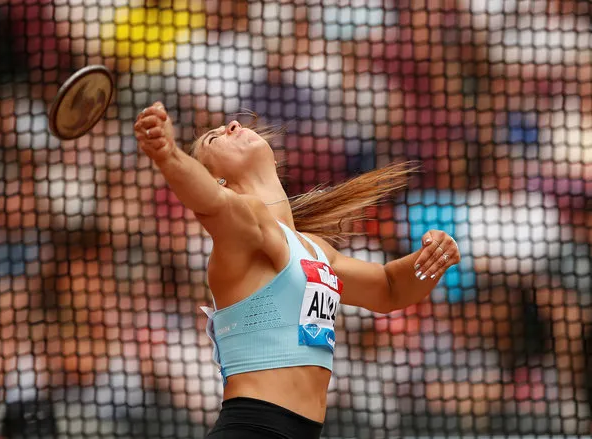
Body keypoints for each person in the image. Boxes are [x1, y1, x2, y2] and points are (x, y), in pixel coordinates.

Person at [134, 102, 461, 439]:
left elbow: (390, 288)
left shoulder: (316, 251)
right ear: (220, 181)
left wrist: (431, 258)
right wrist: (167, 154)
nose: (231, 124)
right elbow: (209, 202)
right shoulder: (245, 227)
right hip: (253, 428)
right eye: (214, 140)